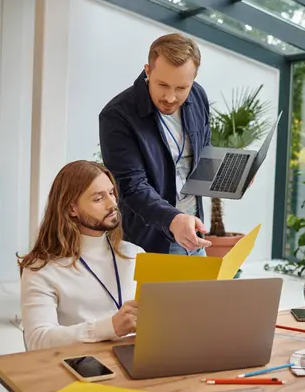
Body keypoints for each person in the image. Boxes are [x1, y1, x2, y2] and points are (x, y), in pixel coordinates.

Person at [99, 33, 211, 257]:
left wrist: (234, 174)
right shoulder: (117, 115)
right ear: (148, 71)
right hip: (150, 240)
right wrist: (174, 220)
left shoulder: (197, 96)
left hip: (194, 232)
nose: (170, 97)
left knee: (199, 293)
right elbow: (131, 187)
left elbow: (204, 148)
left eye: (181, 88)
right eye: (162, 85)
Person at [19, 160, 143, 351]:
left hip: (136, 362)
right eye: (98, 198)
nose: (112, 204)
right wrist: (110, 327)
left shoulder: (135, 254)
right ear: (71, 209)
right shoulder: (42, 268)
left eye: (111, 193)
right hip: (78, 368)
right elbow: (38, 339)